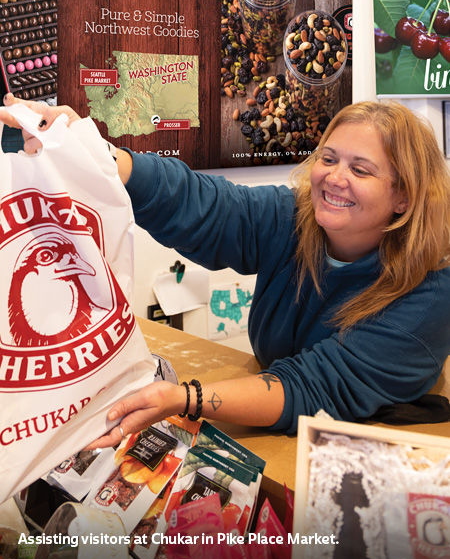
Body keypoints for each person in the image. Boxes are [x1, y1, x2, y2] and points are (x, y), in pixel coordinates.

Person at [1, 93, 450, 446]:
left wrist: (186, 398)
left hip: (388, 445)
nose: (334, 177)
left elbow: (314, 388)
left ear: (404, 197)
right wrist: (96, 155)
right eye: (328, 159)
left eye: (361, 169)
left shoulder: (431, 291)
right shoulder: (294, 218)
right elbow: (209, 207)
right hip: (287, 427)